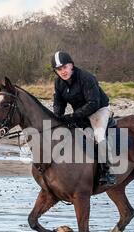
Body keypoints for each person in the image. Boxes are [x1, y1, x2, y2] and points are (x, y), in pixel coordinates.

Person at [51, 51, 116, 186]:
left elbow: (93, 103)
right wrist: (57, 117)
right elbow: (59, 102)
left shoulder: (86, 78)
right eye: (59, 69)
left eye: (64, 67)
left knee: (99, 136)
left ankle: (108, 171)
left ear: (71, 66)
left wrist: (72, 116)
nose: (62, 72)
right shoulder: (58, 83)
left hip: (99, 111)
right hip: (81, 113)